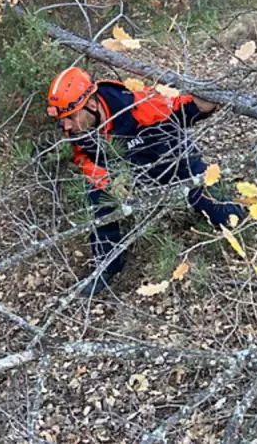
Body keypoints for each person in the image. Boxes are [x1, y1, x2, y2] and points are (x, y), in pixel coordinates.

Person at [46, 66, 246, 296]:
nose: (66, 127)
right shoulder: (80, 129)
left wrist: (208, 99)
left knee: (226, 215)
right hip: (130, 174)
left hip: (175, 163)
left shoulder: (136, 104)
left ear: (92, 105)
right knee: (98, 199)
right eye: (62, 121)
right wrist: (109, 182)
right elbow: (86, 160)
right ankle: (107, 265)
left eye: (70, 117)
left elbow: (185, 105)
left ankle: (238, 218)